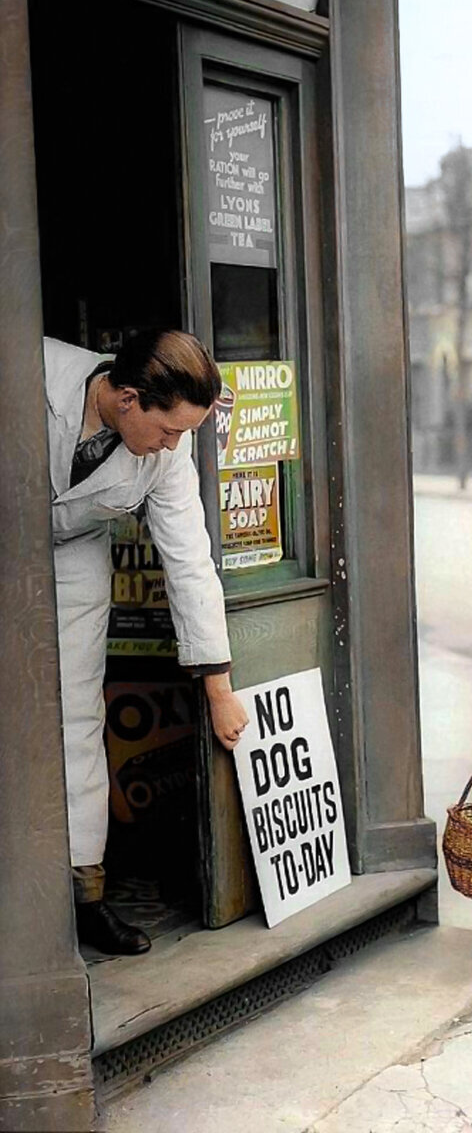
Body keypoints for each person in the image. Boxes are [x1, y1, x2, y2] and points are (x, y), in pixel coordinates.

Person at [44, 331, 249, 957]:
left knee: (78, 716)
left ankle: (84, 897)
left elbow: (190, 564)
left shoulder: (164, 457)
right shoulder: (32, 368)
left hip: (71, 557)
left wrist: (219, 690)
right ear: (128, 398)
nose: (174, 446)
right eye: (168, 431)